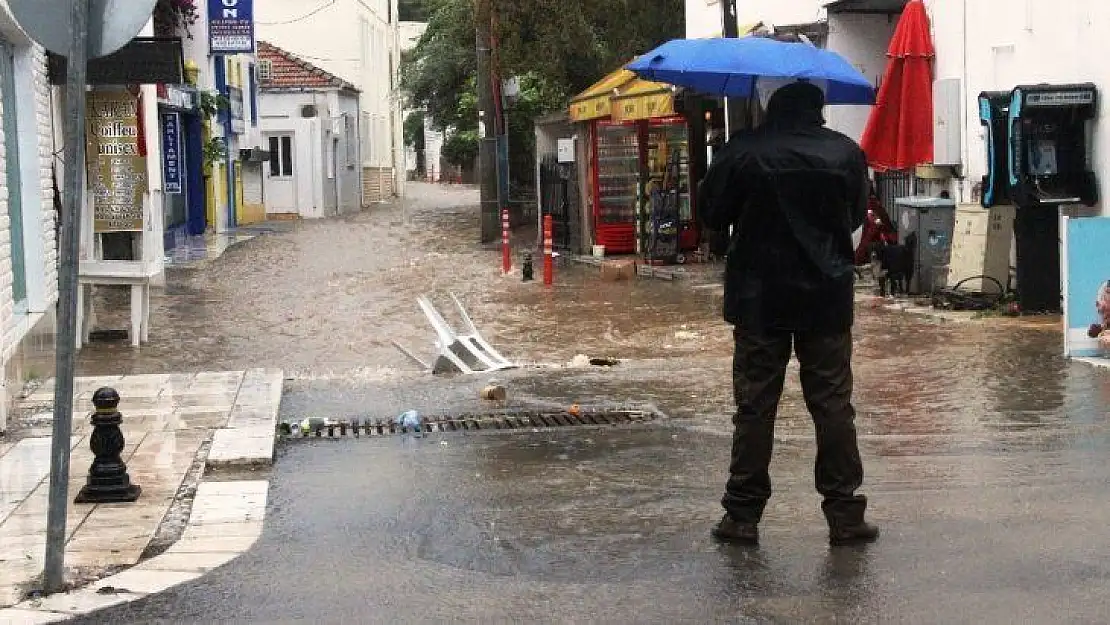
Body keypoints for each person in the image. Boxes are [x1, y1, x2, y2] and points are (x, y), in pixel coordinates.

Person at [698, 81, 879, 547]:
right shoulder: (845, 153)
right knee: (833, 405)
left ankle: (741, 516)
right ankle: (844, 516)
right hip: (827, 297)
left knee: (755, 406)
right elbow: (857, 216)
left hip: (759, 299)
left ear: (769, 106)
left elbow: (712, 215)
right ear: (818, 110)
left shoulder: (744, 151)